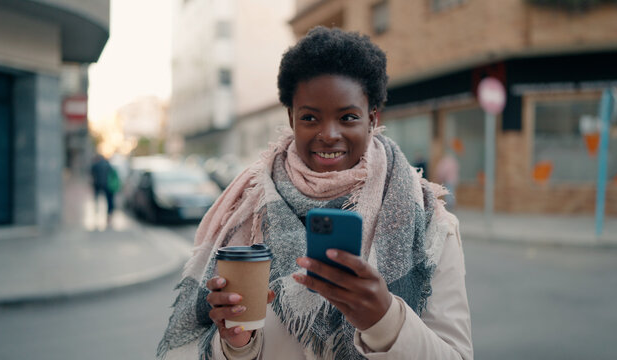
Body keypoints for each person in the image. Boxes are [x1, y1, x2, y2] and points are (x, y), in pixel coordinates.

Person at [157, 27, 472, 360]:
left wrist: (385, 320)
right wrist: (237, 343)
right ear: (291, 119)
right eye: (310, 117)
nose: (329, 134)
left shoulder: (429, 222)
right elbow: (204, 346)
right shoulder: (247, 213)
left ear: (372, 119)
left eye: (348, 117)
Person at [90, 153, 117, 226]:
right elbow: (113, 173)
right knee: (109, 200)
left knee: (97, 198)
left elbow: (91, 173)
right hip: (107, 184)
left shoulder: (95, 165)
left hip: (97, 184)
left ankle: (96, 211)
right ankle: (109, 214)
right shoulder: (108, 165)